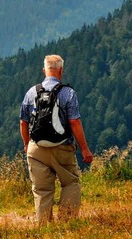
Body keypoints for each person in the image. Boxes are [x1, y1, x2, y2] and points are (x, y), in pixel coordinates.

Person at [20, 54, 94, 224]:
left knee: (41, 189)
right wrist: (84, 148)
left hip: (36, 147)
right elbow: (74, 121)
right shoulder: (68, 93)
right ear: (61, 71)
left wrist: (26, 144)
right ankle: (67, 222)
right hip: (62, 146)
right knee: (70, 183)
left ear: (44, 70)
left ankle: (44, 225)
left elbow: (23, 122)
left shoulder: (31, 92)